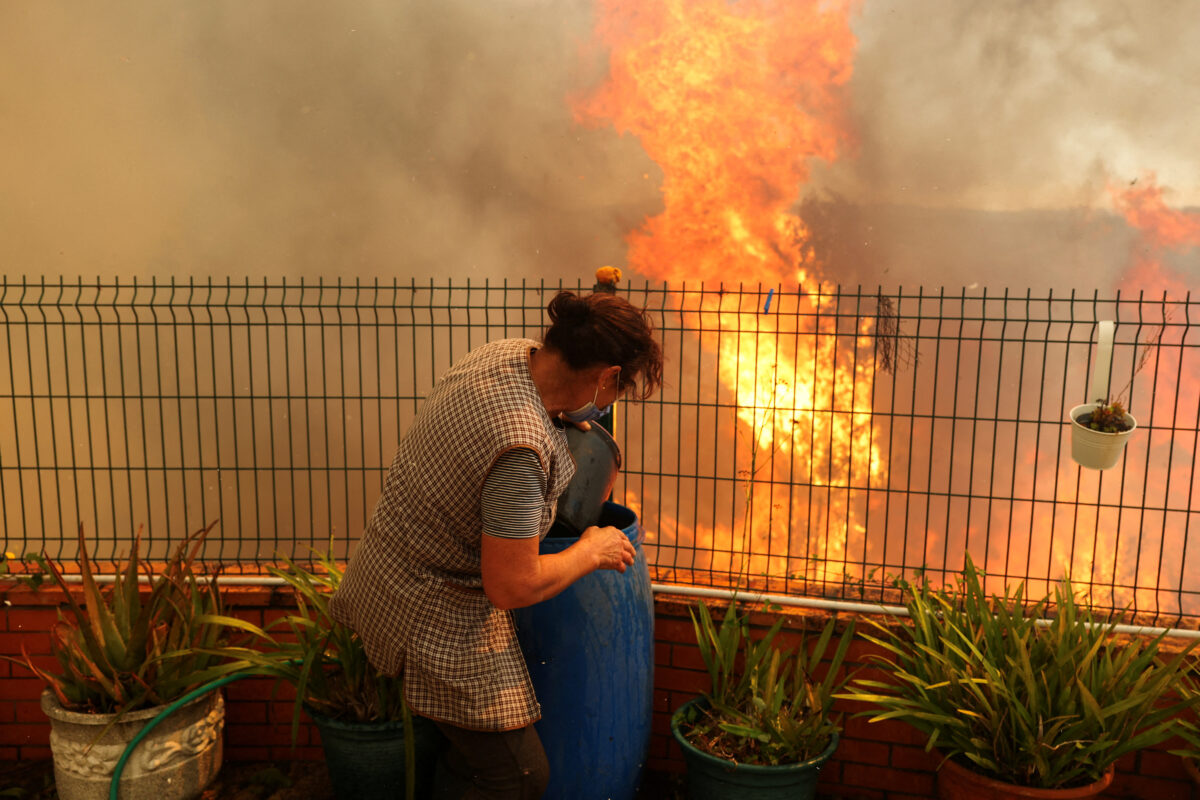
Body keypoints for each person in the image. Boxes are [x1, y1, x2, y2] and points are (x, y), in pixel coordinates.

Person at [329, 289, 663, 800]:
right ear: (607, 376)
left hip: (387, 571)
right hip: (432, 611)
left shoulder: (500, 355)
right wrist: (590, 551)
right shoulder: (520, 451)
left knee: (471, 760)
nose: (610, 402)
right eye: (619, 388)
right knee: (518, 774)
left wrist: (563, 418)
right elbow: (511, 585)